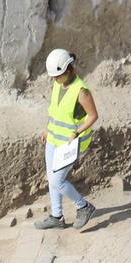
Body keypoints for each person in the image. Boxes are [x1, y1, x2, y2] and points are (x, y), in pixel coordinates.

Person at [35, 47, 99, 231]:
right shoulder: (57, 84)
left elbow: (93, 116)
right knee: (51, 178)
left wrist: (77, 132)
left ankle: (84, 207)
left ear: (69, 70)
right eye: (53, 77)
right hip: (54, 138)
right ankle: (56, 217)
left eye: (58, 76)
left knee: (57, 180)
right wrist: (48, 129)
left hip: (70, 143)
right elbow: (55, 110)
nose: (55, 79)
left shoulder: (81, 91)